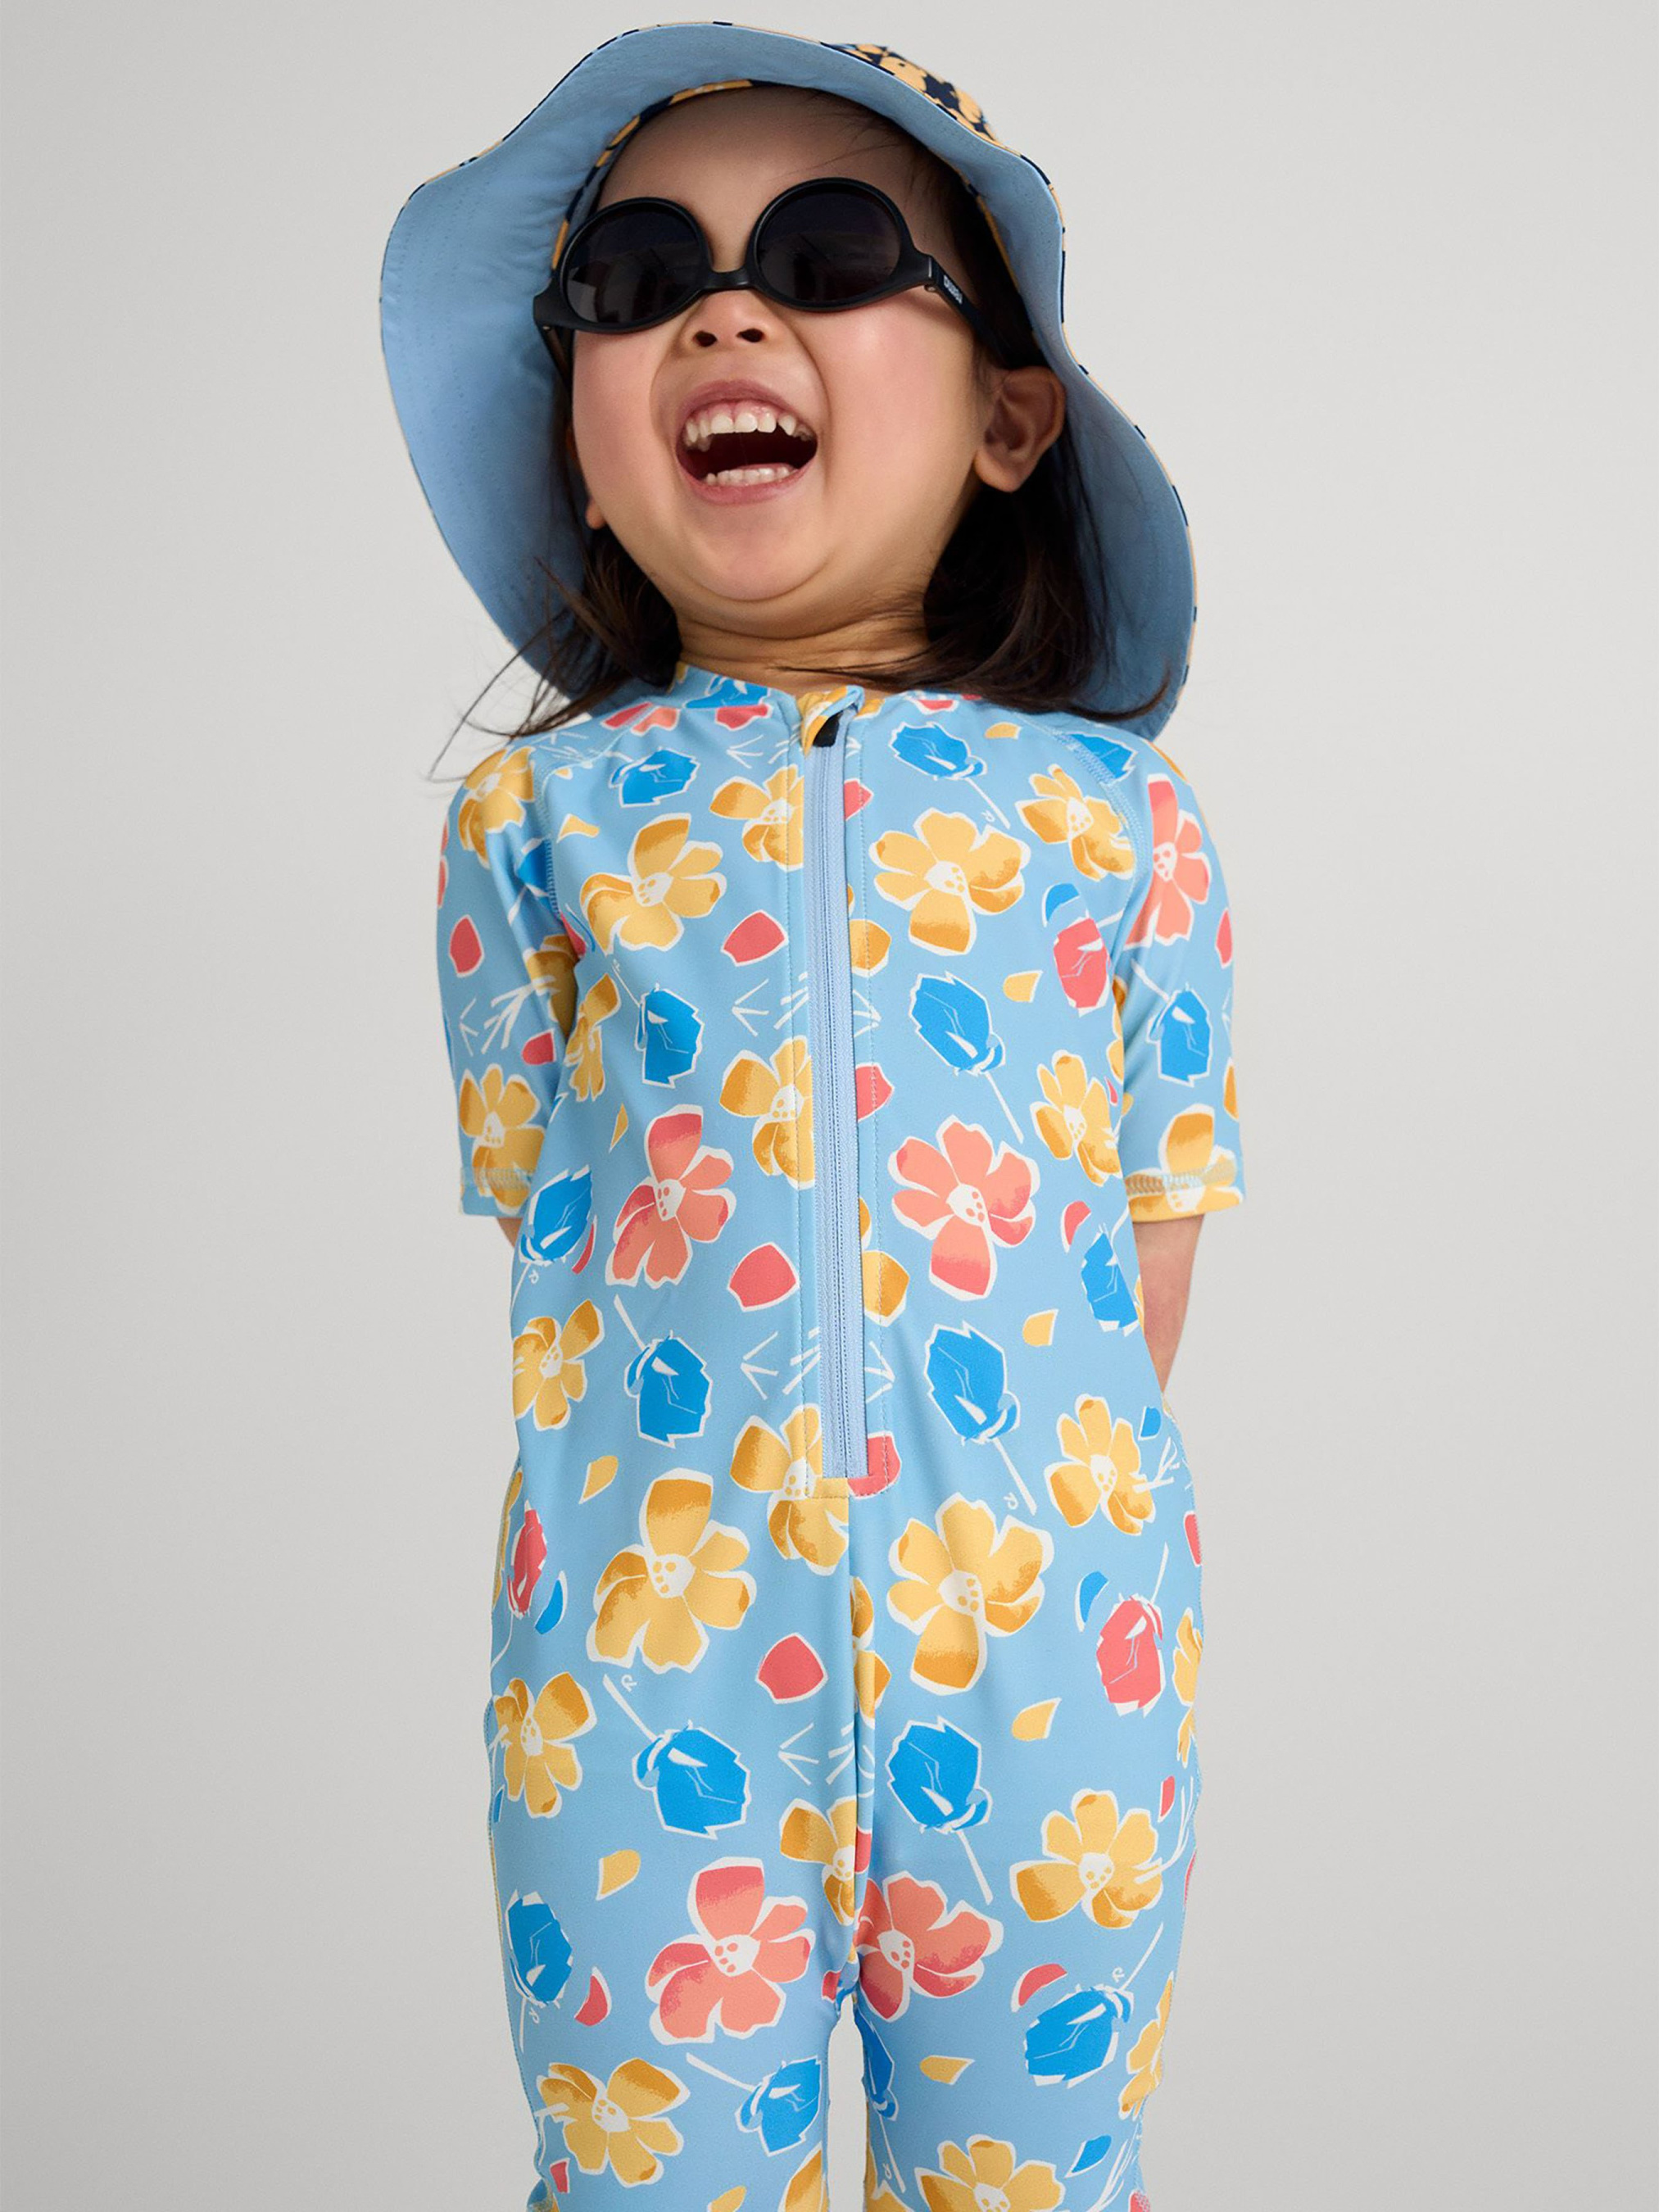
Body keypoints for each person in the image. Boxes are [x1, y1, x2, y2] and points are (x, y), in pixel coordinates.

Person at [382, 26, 1248, 2210]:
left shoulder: (1116, 825)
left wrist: (997, 1550)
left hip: (1047, 1683)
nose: (722, 317)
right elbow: (564, 1242)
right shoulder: (536, 829)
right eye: (637, 280)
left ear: (1010, 421)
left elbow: (1141, 1264)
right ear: (582, 456)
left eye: (832, 256)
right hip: (647, 1690)